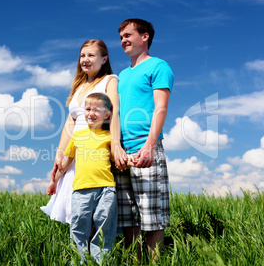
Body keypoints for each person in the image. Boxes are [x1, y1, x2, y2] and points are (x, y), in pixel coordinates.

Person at [40, 39, 127, 224]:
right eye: (82, 55)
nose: (85, 60)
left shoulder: (109, 80)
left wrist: (115, 144)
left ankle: (95, 252)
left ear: (104, 59)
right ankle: (80, 252)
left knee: (94, 209)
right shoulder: (79, 86)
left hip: (95, 149)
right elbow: (70, 122)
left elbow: (114, 112)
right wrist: (60, 153)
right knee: (76, 209)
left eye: (91, 55)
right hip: (75, 149)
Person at [115, 18, 174, 261]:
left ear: (145, 36)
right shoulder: (120, 75)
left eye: (128, 35)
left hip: (146, 147)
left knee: (152, 217)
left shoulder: (158, 66)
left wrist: (150, 145)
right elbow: (115, 114)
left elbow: (161, 107)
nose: (123, 41)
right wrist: (115, 146)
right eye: (121, 38)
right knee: (128, 219)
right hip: (122, 152)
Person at [47, 93, 129, 264]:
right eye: (88, 109)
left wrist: (130, 160)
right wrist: (54, 180)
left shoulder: (109, 138)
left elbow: (118, 160)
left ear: (106, 115)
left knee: (104, 228)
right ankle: (80, 260)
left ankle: (102, 262)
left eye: (96, 110)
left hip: (105, 189)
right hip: (80, 190)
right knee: (78, 227)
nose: (91, 113)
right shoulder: (78, 136)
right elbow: (66, 162)